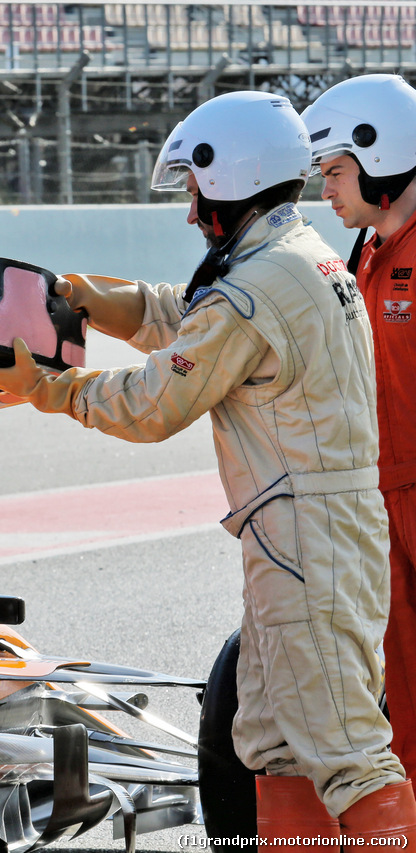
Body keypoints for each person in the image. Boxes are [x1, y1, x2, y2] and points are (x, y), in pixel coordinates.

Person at [0, 91, 415, 843]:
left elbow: (152, 402)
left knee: (347, 756)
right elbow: (190, 312)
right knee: (275, 742)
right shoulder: (295, 258)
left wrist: (45, 388)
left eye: (193, 191)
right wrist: (88, 299)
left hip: (308, 542)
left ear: (231, 179)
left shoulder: (261, 283)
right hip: (305, 538)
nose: (189, 213)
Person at [302, 73, 416, 788]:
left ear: (384, 155)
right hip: (382, 499)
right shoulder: (365, 253)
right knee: (401, 690)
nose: (325, 191)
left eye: (336, 171)